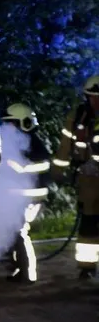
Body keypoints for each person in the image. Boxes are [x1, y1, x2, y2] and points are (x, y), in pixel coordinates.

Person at [50, 75, 99, 280]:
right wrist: (58, 171)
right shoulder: (78, 115)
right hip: (88, 179)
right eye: (91, 97)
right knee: (88, 222)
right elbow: (65, 145)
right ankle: (87, 266)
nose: (95, 101)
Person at [0, 103, 51, 283]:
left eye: (12, 124)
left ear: (25, 123)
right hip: (19, 197)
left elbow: (34, 167)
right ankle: (17, 269)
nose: (9, 128)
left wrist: (12, 164)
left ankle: (28, 273)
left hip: (31, 198)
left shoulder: (34, 144)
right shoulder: (17, 143)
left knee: (20, 232)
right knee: (13, 233)